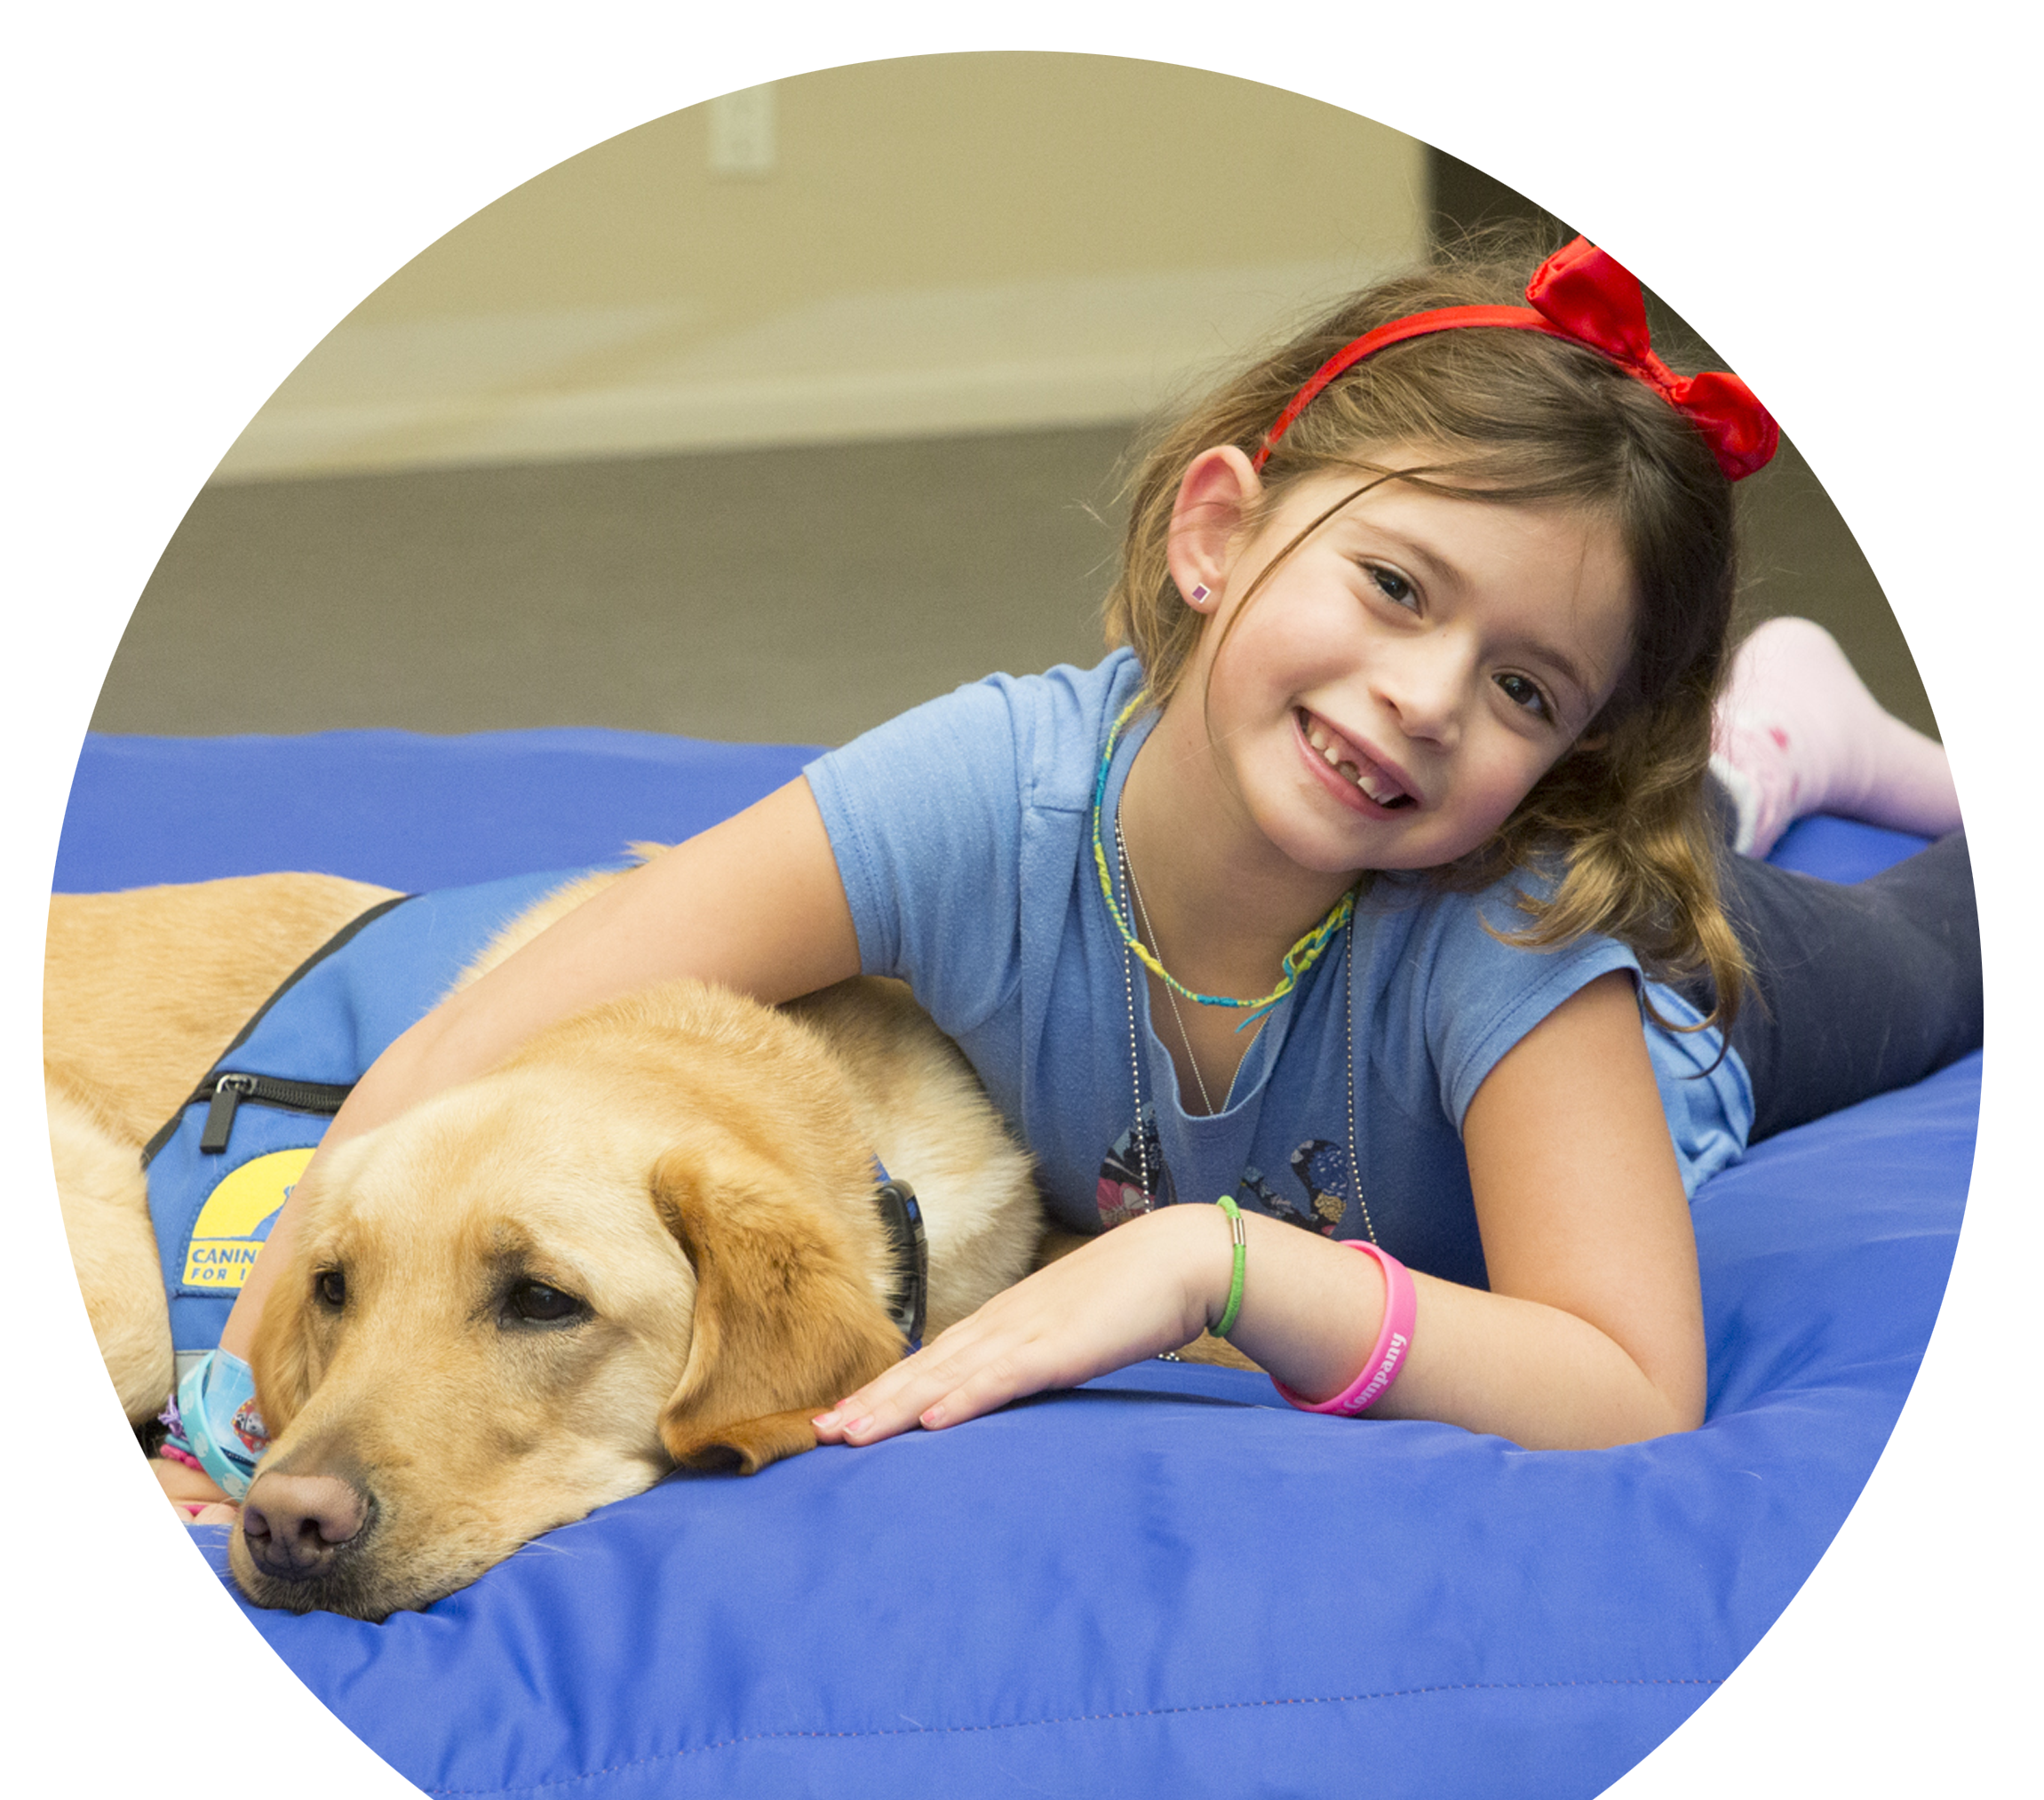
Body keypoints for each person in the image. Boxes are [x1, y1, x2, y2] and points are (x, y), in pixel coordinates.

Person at [145, 228, 1983, 1525]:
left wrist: (1216, 1263)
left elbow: (1627, 1385)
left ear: (1556, 762)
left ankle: (1756, 767)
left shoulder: (1520, 932)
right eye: (1394, 585)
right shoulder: (990, 790)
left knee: (1926, 945)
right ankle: (1778, 731)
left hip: (1696, 1021)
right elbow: (489, 1042)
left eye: (1522, 688)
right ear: (1216, 532)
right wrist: (253, 1370)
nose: (1420, 700)